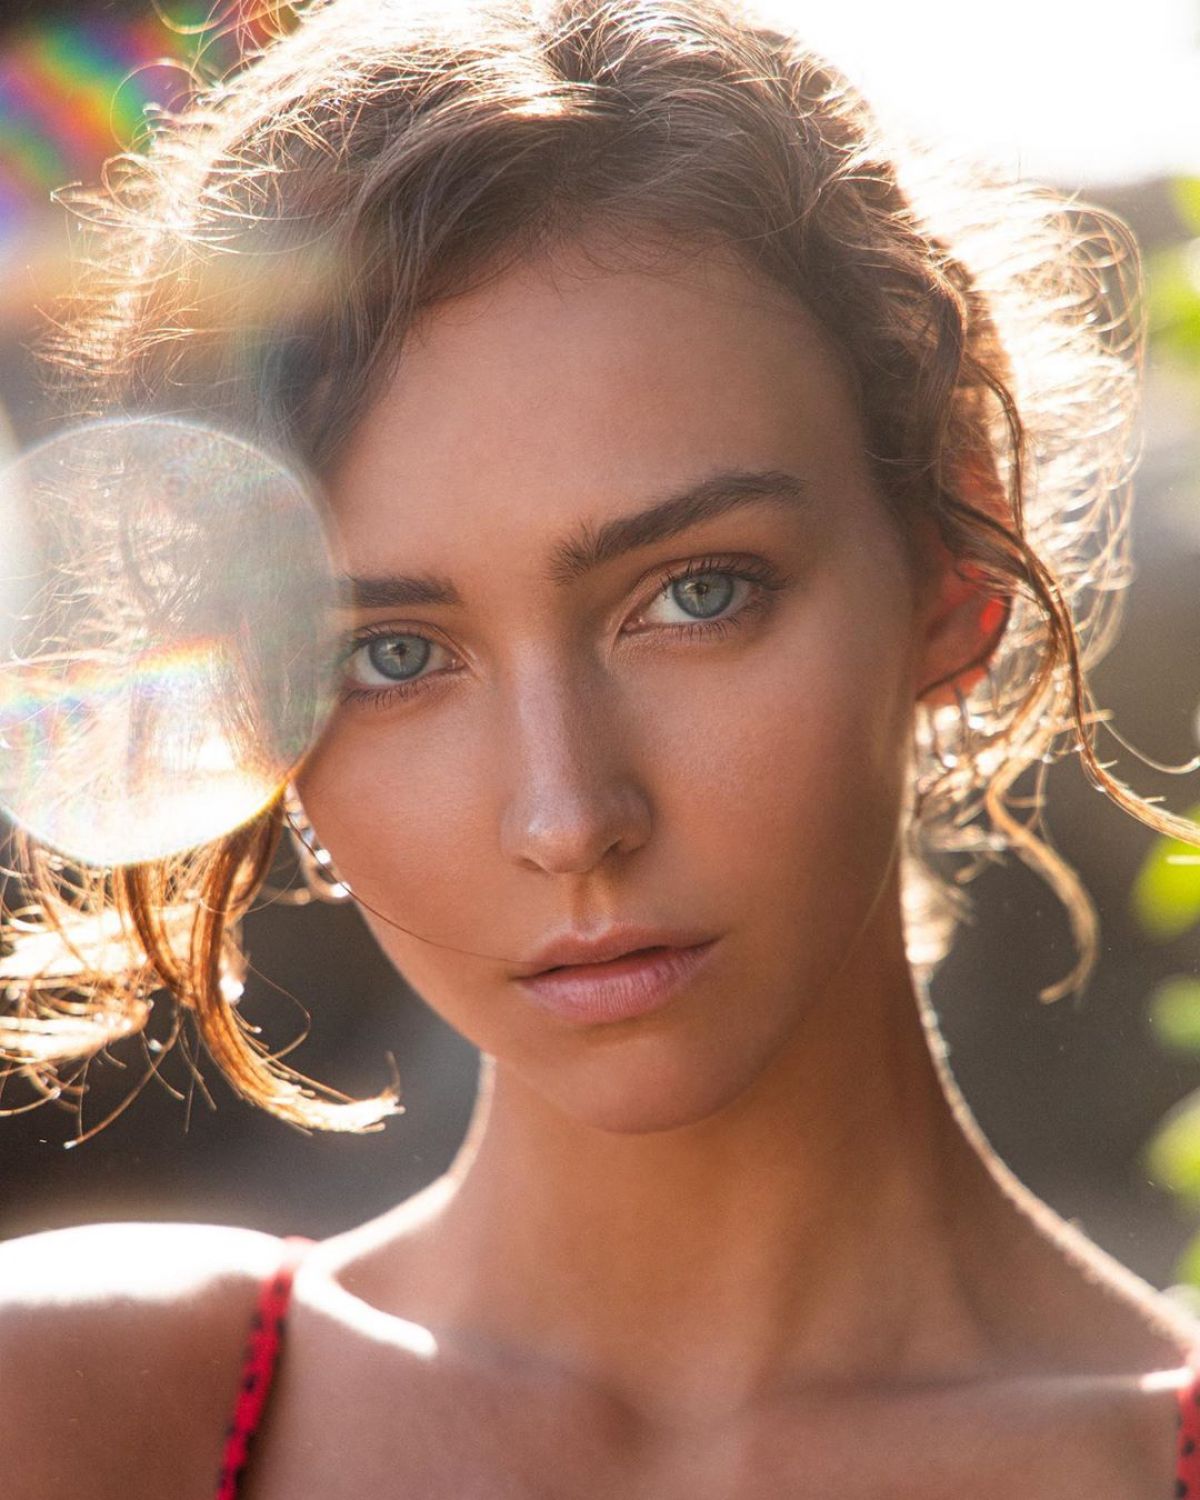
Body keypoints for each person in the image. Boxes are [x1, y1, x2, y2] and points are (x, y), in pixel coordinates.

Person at [2, 0, 1199, 1494]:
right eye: (391, 657)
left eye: (698, 594)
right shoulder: (77, 1416)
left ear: (957, 555)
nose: (570, 816)